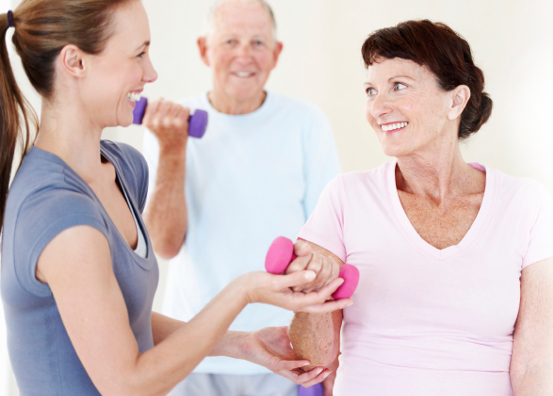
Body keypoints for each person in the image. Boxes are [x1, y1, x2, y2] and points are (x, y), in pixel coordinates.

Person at [0, 1, 347, 395]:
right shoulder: (56, 208)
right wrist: (244, 290)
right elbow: (127, 383)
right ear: (76, 62)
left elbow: (124, 322)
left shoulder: (122, 168)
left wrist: (239, 343)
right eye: (138, 54)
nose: (151, 73)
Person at [287, 20, 553, 396]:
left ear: (455, 100)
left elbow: (535, 364)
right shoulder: (345, 197)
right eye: (371, 91)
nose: (377, 107)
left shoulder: (527, 206)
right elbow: (316, 359)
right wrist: (313, 293)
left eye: (398, 86)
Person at [140, 0, 341, 394]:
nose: (244, 55)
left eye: (258, 42)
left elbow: (329, 246)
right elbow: (163, 245)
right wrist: (173, 149)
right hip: (195, 347)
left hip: (285, 348)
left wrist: (329, 348)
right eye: (230, 40)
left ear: (276, 53)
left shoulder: (306, 122)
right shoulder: (168, 127)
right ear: (204, 49)